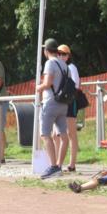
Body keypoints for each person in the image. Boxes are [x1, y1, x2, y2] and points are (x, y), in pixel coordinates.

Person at [34, 38, 69, 178]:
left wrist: (39, 87)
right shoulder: (64, 64)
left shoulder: (50, 63)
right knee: (63, 135)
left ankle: (53, 166)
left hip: (50, 102)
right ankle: (59, 165)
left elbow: (47, 83)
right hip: (63, 103)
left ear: (46, 50)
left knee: (45, 134)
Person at [54, 44, 80, 172]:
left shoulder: (71, 67)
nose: (61, 56)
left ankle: (72, 164)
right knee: (56, 134)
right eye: (58, 53)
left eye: (64, 54)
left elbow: (75, 86)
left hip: (69, 102)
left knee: (71, 133)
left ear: (68, 56)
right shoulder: (56, 67)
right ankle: (56, 163)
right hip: (59, 103)